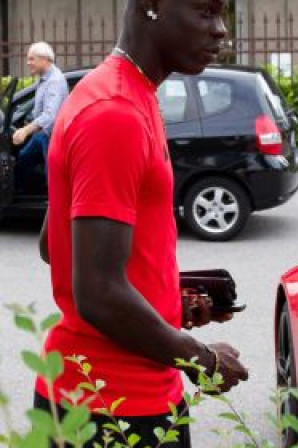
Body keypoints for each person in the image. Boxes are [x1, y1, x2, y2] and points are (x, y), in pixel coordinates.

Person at [34, 1, 247, 446]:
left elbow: (55, 246)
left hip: (115, 398)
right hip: (109, 409)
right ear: (151, 6)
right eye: (206, 12)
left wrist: (170, 302)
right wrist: (204, 360)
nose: (221, 30)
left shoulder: (119, 92)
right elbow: (98, 293)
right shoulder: (114, 113)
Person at [12, 41, 68, 185]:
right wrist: (29, 122)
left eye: (32, 59)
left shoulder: (54, 81)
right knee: (22, 161)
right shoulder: (45, 79)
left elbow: (50, 116)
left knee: (53, 179)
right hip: (42, 134)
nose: (28, 63)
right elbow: (40, 109)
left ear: (44, 59)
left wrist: (25, 130)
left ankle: (52, 205)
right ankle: (20, 192)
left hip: (52, 137)